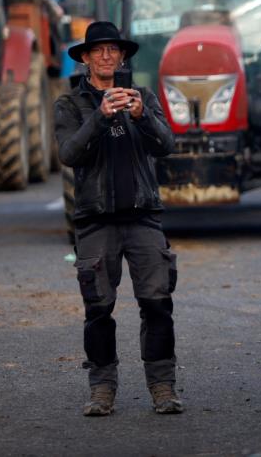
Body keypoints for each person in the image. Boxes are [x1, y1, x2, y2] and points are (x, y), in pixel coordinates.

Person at [54, 21, 180, 417]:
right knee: (97, 311)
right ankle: (102, 390)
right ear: (87, 59)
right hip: (95, 221)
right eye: (99, 50)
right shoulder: (70, 105)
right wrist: (100, 116)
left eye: (114, 50)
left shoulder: (142, 97)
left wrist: (142, 115)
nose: (107, 56)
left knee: (158, 304)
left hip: (143, 218)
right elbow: (69, 154)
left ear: (122, 57)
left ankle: (162, 387)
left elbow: (167, 145)